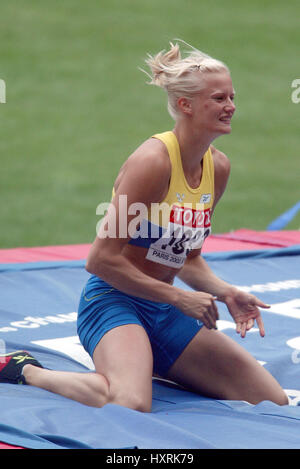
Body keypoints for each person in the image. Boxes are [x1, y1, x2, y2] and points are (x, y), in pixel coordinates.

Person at [0, 41, 288, 410]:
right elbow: (100, 260)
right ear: (185, 105)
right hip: (114, 303)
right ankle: (26, 369)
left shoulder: (218, 168)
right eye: (219, 98)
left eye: (232, 97)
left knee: (271, 399)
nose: (231, 106)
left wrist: (225, 291)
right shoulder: (152, 163)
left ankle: (146, 362)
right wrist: (179, 297)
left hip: (163, 312)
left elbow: (188, 258)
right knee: (131, 403)